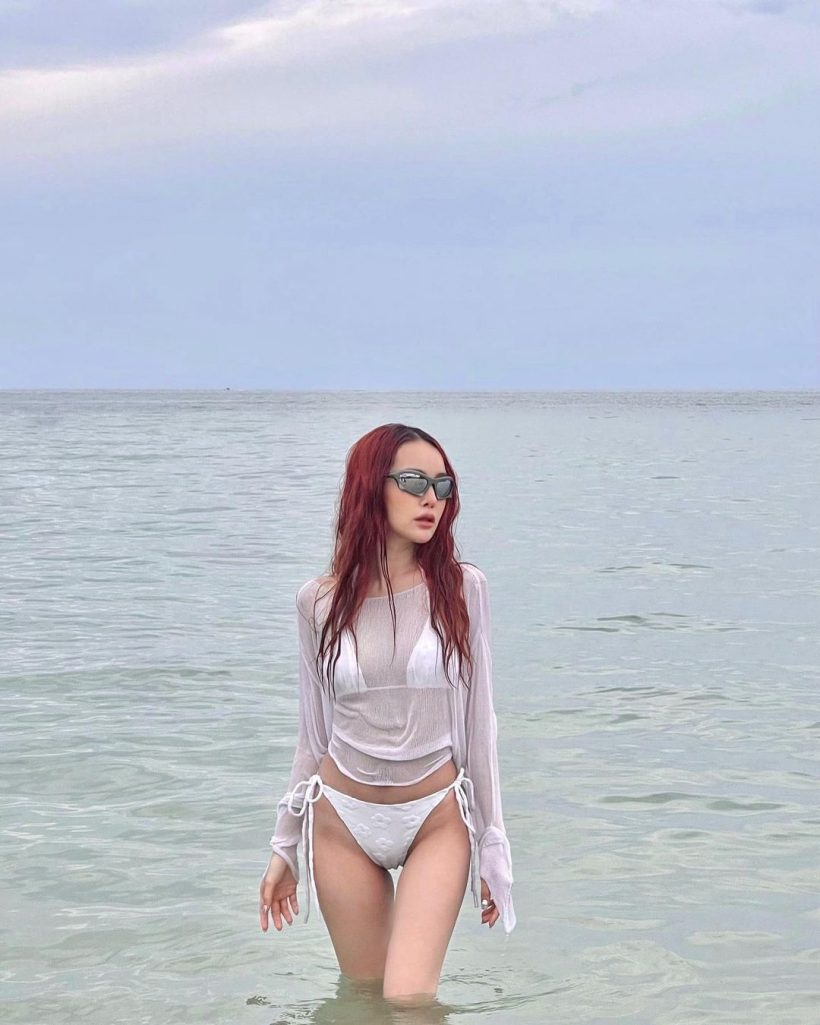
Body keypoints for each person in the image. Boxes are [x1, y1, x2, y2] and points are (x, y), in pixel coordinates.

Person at [258, 423, 515, 1005]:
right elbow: (313, 736)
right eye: (414, 481)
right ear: (370, 485)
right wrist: (284, 846)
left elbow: (480, 726)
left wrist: (493, 845)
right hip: (341, 823)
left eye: (443, 486)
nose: (431, 499)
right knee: (364, 1000)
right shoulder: (317, 602)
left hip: (435, 818)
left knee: (408, 1000)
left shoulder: (463, 589)